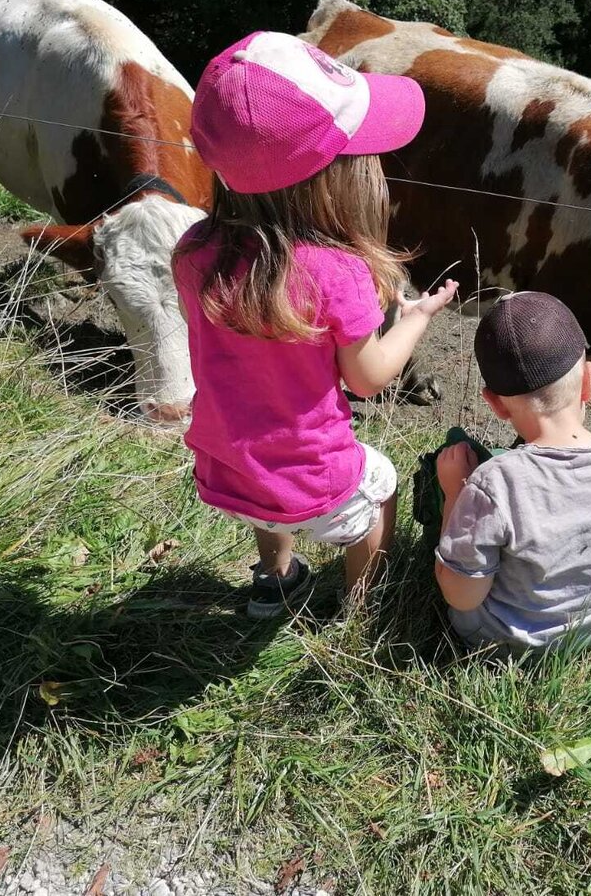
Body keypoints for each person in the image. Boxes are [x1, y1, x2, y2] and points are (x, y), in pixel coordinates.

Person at [174, 31, 458, 619]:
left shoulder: (193, 251)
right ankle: (362, 605)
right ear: (332, 174)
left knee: (266, 501)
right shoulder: (337, 273)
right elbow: (370, 379)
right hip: (308, 478)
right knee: (379, 487)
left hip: (226, 465)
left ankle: (274, 581)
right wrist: (417, 319)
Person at [434, 292, 591, 651]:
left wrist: (455, 494)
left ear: (495, 404)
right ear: (588, 382)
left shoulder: (493, 483)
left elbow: (461, 598)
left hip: (502, 641)